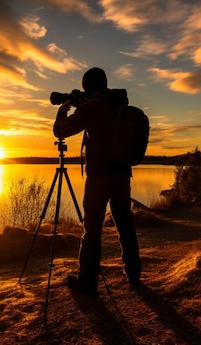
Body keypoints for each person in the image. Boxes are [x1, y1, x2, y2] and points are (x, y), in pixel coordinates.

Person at [53, 67, 141, 297]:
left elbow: (60, 130)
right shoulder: (118, 102)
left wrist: (64, 107)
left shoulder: (92, 107)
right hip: (122, 173)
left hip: (99, 176)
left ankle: (87, 280)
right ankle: (134, 273)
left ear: (86, 86)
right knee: (125, 223)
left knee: (91, 229)